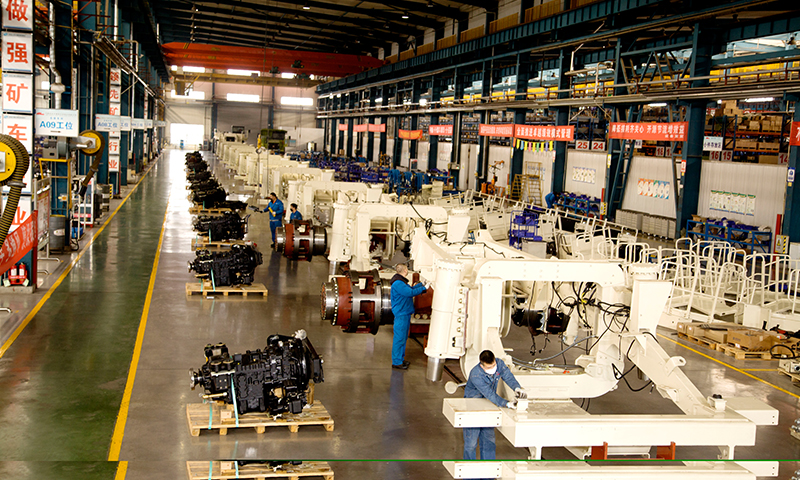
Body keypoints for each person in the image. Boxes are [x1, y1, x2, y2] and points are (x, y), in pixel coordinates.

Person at [463, 350, 526, 460]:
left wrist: (517, 388)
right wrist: (506, 404)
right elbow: (489, 394)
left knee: (489, 441)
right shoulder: (476, 375)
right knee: (471, 443)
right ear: (482, 366)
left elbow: (508, 376)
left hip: (488, 405)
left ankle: (488, 470)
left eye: (493, 365)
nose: (492, 368)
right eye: (489, 367)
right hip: (473, 407)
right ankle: (469, 469)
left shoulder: (499, 364)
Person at [390, 264, 427, 370]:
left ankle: (400, 360)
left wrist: (422, 285)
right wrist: (424, 288)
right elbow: (410, 293)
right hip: (401, 315)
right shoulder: (398, 283)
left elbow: (410, 289)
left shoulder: (401, 282)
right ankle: (397, 362)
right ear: (405, 270)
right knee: (399, 339)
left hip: (404, 314)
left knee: (403, 338)